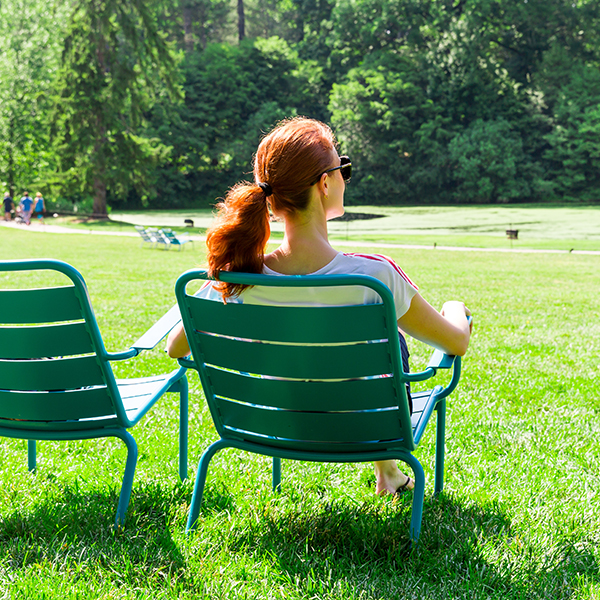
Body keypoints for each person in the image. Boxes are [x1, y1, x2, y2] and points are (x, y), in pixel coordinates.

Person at [167, 117, 472, 497]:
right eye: (343, 168)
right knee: (385, 333)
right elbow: (455, 343)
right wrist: (455, 307)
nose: (345, 177)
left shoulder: (239, 279)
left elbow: (176, 348)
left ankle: (389, 475)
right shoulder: (372, 278)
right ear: (324, 183)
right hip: (369, 428)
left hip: (275, 423)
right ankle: (389, 470)